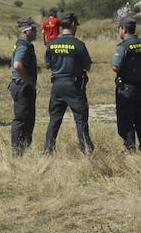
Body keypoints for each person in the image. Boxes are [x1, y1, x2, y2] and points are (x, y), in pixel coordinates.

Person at [41, 13, 95, 154]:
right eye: (76, 24)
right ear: (72, 25)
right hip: (74, 85)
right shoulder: (78, 44)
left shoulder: (51, 45)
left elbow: (47, 65)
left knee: (54, 119)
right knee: (80, 119)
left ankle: (48, 150)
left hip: (57, 85)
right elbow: (88, 66)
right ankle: (86, 150)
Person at [111, 19, 141, 152]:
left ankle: (130, 148)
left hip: (127, 88)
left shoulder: (123, 46)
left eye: (119, 29)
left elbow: (115, 66)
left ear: (123, 29)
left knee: (126, 120)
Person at [8, 18, 38, 155]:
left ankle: (24, 147)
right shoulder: (23, 45)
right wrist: (29, 81)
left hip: (20, 85)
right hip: (22, 86)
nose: (36, 32)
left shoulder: (24, 44)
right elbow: (18, 65)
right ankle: (17, 150)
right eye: (34, 30)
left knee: (28, 118)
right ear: (27, 31)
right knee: (21, 119)